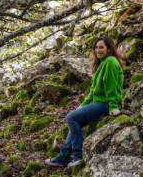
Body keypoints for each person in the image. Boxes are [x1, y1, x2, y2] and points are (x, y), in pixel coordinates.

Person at [45, 37, 124, 168]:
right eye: (96, 47)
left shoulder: (110, 62)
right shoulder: (101, 63)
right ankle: (63, 157)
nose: (98, 50)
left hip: (105, 103)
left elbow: (111, 87)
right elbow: (93, 91)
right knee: (75, 118)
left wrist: (113, 106)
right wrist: (83, 105)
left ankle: (77, 156)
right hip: (98, 101)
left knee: (71, 117)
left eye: (101, 47)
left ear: (109, 49)